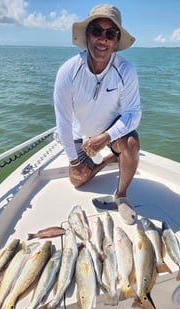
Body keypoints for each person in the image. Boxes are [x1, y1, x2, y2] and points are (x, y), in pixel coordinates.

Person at [54, 4, 142, 224]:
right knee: (78, 180)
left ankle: (121, 195)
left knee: (131, 143)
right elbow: (63, 122)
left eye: (110, 33)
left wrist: (106, 137)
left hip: (108, 131)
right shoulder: (68, 71)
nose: (103, 39)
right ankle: (108, 160)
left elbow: (133, 113)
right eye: (97, 31)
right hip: (79, 135)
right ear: (87, 34)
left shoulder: (126, 71)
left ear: (116, 40)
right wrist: (75, 162)